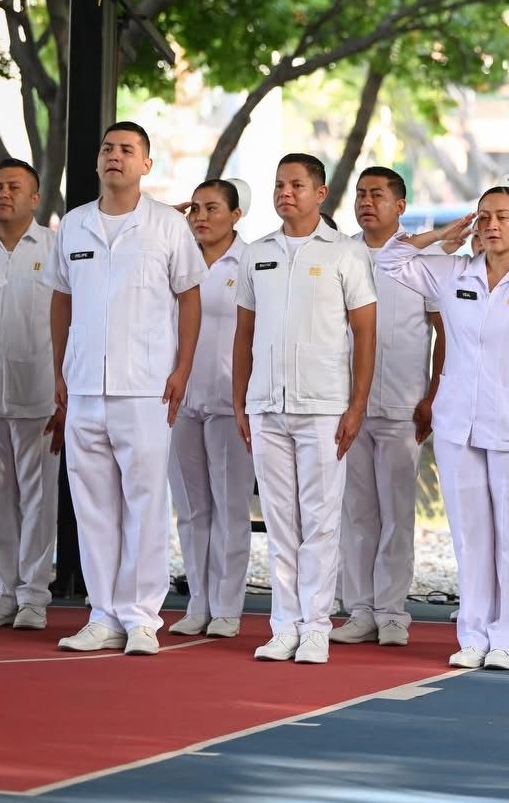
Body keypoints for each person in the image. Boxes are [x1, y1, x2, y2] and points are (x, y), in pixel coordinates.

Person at [377, 183, 509, 673]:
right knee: (470, 536)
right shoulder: (452, 272)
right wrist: (442, 236)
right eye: (484, 216)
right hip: (458, 423)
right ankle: (473, 634)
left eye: (503, 217)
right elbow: (388, 259)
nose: (492, 225)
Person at [47, 121, 204, 655]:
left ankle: (141, 617)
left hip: (146, 387)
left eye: (127, 150)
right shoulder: (74, 224)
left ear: (146, 165)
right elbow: (61, 299)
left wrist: (182, 368)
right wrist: (60, 371)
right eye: (108, 148)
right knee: (92, 505)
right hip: (84, 385)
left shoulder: (167, 225)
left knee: (145, 502)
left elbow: (189, 296)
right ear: (97, 161)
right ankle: (102, 614)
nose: (115, 156)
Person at [233, 153, 377, 665]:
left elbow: (365, 333)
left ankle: (316, 627)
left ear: (320, 194)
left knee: (320, 521)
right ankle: (284, 625)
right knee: (280, 523)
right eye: (279, 184)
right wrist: (240, 399)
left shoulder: (345, 254)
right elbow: (244, 332)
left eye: (296, 185)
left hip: (323, 407)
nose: (285, 193)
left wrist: (357, 405)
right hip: (266, 405)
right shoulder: (257, 253)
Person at [329, 167, 445, 649]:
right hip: (346, 405)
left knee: (397, 513)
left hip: (403, 403)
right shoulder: (340, 253)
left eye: (376, 194)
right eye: (360, 194)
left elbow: (443, 332)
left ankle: (393, 612)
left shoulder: (423, 259)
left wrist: (433, 394)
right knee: (356, 513)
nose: (365, 202)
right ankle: (359, 609)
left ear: (400, 205)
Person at [166, 179, 254, 638]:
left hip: (229, 402)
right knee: (191, 509)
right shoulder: (175, 257)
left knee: (230, 508)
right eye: (195, 208)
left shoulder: (252, 262)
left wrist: (246, 399)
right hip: (178, 401)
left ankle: (226, 607)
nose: (200, 217)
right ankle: (198, 602)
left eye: (212, 208)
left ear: (236, 215)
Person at [0, 160, 52, 630]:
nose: (3, 193)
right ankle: (4, 592)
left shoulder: (54, 249)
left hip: (37, 392)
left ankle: (34, 597)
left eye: (14, 187)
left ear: (35, 199)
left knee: (38, 499)